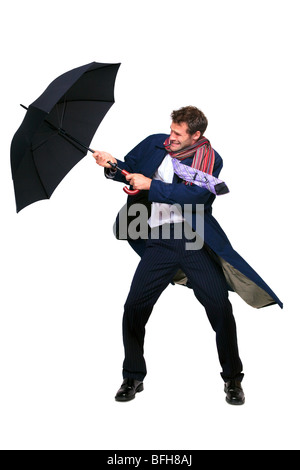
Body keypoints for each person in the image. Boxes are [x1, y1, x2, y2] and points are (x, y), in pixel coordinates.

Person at [93, 106, 282, 406]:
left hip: (194, 242)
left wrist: (151, 185)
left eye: (178, 134)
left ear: (197, 135)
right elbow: (130, 171)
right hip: (158, 241)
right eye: (171, 130)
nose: (171, 137)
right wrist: (111, 165)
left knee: (220, 308)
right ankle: (132, 376)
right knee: (134, 308)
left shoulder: (210, 159)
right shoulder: (155, 143)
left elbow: (197, 195)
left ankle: (233, 379)